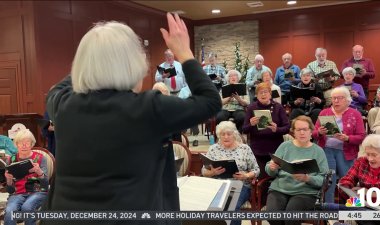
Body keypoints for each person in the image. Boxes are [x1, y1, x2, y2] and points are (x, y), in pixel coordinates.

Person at [44, 13, 221, 225]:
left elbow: (58, 88)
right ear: (133, 64)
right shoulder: (147, 108)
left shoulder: (64, 105)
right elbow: (210, 101)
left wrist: (92, 59)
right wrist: (183, 53)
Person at [265, 116, 329, 225]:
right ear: (293, 132)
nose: (302, 133)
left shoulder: (318, 151)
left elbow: (324, 179)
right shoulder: (285, 146)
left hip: (306, 192)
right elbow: (270, 169)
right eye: (298, 130)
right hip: (280, 188)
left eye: (305, 129)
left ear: (311, 131)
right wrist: (271, 167)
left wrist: (307, 178)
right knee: (273, 216)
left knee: (291, 218)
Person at [312, 86, 366, 203]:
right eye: (333, 98)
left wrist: (347, 138)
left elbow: (361, 137)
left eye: (339, 98)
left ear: (347, 100)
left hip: (346, 153)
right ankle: (328, 214)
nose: (336, 101)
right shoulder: (324, 112)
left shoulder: (355, 114)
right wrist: (320, 133)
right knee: (328, 183)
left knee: (348, 183)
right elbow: (314, 133)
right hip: (327, 151)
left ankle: (353, 213)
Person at [202, 121, 259, 225]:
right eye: (223, 134)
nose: (226, 137)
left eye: (229, 134)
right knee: (210, 206)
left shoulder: (244, 149)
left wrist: (246, 175)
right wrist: (212, 172)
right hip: (218, 185)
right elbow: (203, 171)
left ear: (234, 134)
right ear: (219, 136)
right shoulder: (213, 149)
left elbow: (256, 170)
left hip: (240, 185)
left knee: (231, 207)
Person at [339, 134, 380, 225]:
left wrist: (371, 193)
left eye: (374, 155)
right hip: (364, 207)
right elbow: (346, 180)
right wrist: (348, 190)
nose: (370, 159)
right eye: (368, 154)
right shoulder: (361, 162)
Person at [242, 82, 290, 179]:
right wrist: (251, 124)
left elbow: (287, 128)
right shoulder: (252, 107)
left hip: (276, 150)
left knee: (275, 176)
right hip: (257, 149)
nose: (263, 94)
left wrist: (277, 129)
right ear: (256, 95)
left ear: (270, 94)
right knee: (261, 178)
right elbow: (244, 130)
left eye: (265, 92)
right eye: (260, 93)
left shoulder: (278, 107)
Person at [4, 129, 48, 225]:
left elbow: (45, 185)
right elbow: (10, 191)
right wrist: (9, 179)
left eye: (27, 142)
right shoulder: (11, 160)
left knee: (27, 208)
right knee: (9, 211)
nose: (24, 145)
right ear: (16, 144)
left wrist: (39, 172)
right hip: (17, 193)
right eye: (20, 143)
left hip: (37, 192)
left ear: (31, 144)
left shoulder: (40, 158)